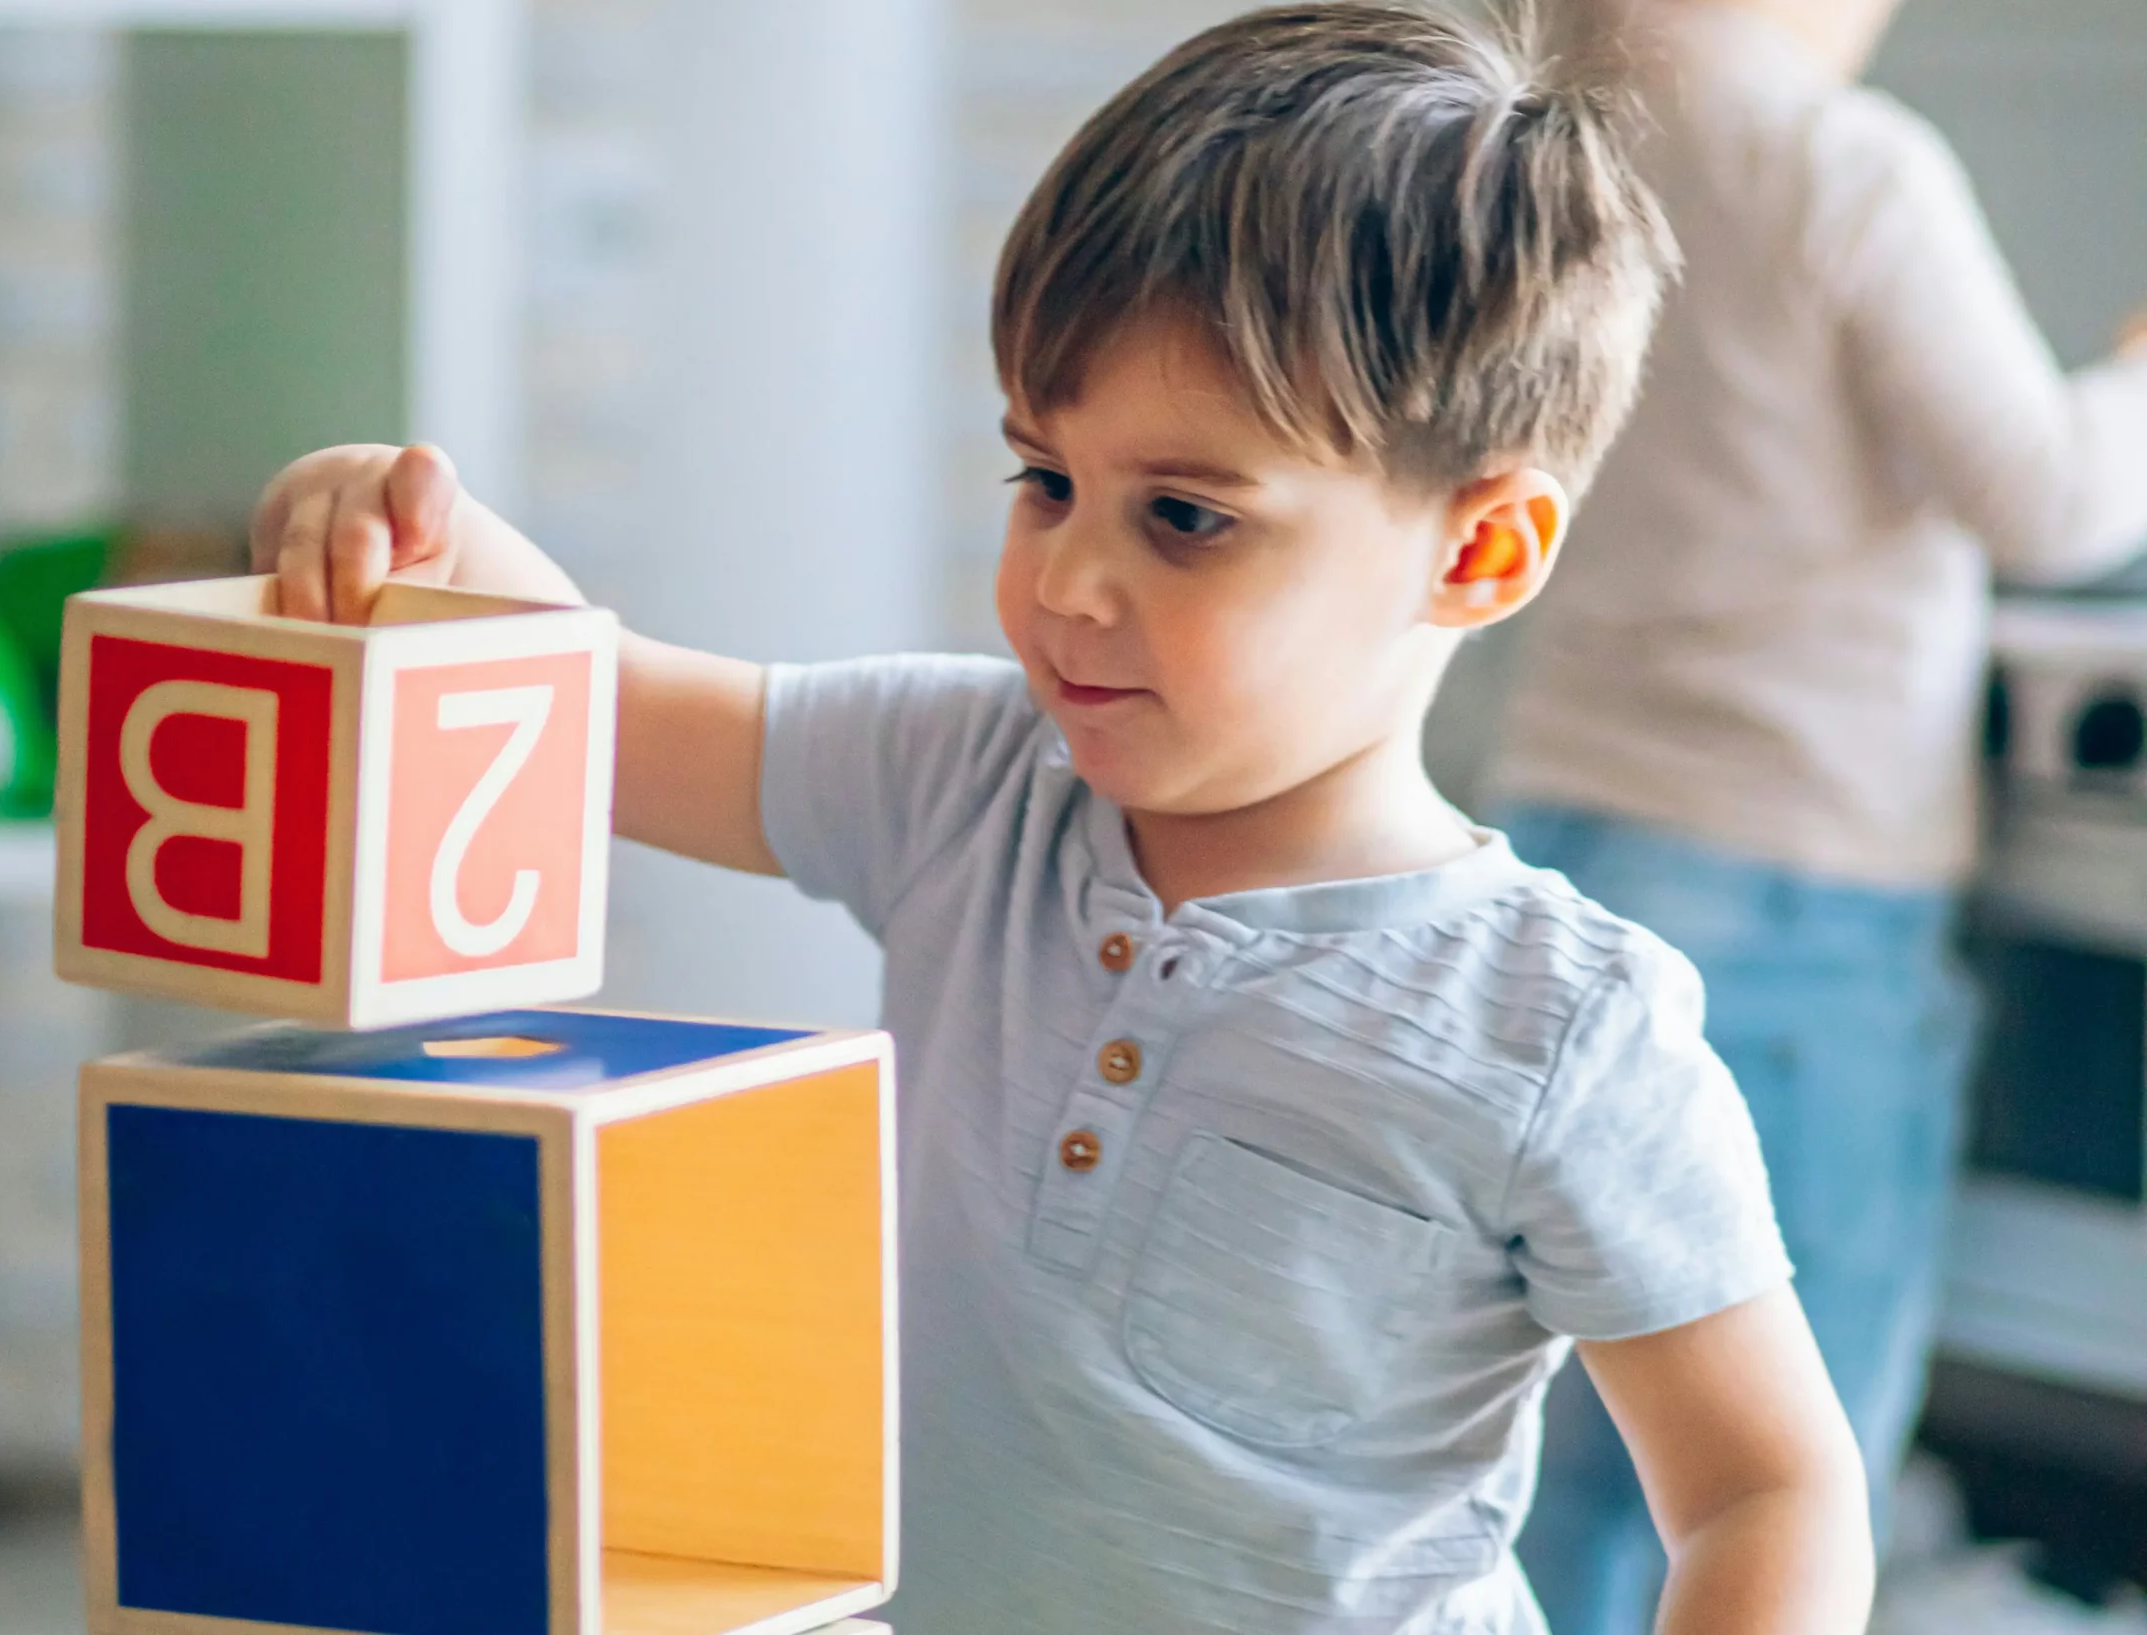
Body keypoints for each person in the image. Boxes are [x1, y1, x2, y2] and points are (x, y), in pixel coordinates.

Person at [256, 7, 1875, 1630]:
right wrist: (415, 546)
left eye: (1186, 518)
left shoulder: (1561, 1026)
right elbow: (587, 706)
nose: (1065, 583)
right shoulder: (968, 780)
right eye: (1044, 479)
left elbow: (1766, 1487)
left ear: (1478, 553)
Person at [1486, 1, 2147, 1631]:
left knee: (1563, 1444)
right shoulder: (1840, 165)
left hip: (1567, 834)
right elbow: (2050, 500)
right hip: (1797, 882)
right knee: (1786, 1461)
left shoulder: (1536, 149)